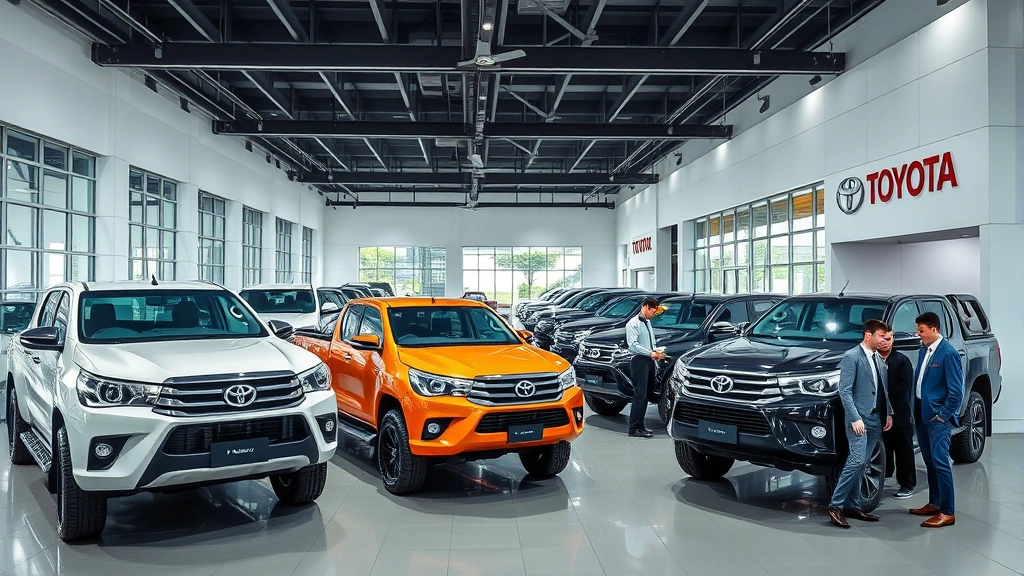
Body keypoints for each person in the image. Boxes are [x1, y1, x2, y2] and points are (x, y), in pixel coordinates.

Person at [828, 319, 893, 529]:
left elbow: (883, 389)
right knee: (856, 460)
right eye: (881, 336)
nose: (885, 341)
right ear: (868, 335)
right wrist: (855, 418)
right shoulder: (851, 357)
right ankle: (835, 505)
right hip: (859, 419)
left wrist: (888, 413)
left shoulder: (878, 359)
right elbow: (844, 391)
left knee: (863, 463)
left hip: (876, 418)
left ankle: (853, 506)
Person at [909, 312, 964, 528]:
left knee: (941, 463)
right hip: (922, 415)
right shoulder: (924, 350)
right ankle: (935, 503)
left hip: (937, 418)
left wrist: (942, 415)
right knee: (930, 462)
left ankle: (948, 512)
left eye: (921, 330)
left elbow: (956, 392)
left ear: (934, 329)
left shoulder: (948, 353)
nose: (918, 334)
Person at [878, 330, 917, 498]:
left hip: (899, 413)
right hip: (878, 413)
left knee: (904, 450)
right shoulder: (872, 360)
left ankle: (907, 484)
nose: (886, 342)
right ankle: (884, 476)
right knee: (884, 447)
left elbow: (904, 389)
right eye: (883, 338)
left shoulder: (902, 360)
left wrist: (891, 411)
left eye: (889, 338)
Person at [624, 298, 665, 438]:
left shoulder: (647, 322)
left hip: (649, 361)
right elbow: (633, 345)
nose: (652, 314)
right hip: (639, 362)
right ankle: (633, 428)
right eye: (652, 311)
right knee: (639, 396)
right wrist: (651, 353)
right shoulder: (633, 324)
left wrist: (656, 350)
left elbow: (649, 342)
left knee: (646, 395)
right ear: (646, 307)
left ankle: (640, 426)